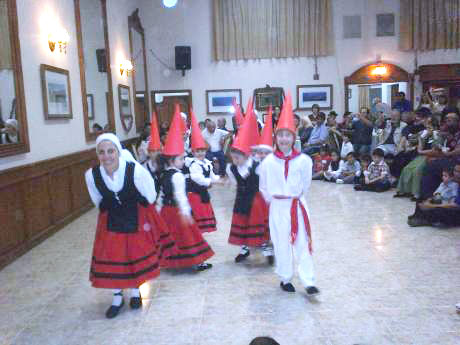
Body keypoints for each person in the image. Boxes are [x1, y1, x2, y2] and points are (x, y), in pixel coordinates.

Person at [84, 133, 170, 319]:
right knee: (114, 258)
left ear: (118, 151)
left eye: (110, 151)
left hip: (135, 218)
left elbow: (150, 195)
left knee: (133, 255)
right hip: (110, 221)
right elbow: (97, 200)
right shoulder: (92, 175)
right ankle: (116, 297)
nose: (106, 156)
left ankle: (134, 291)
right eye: (102, 152)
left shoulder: (135, 170)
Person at [258, 93, 320, 297]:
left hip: (297, 205)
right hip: (278, 207)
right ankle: (285, 277)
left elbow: (306, 184)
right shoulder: (268, 162)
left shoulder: (303, 160)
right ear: (275, 137)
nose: (284, 139)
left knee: (303, 241)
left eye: (288, 135)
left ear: (294, 138)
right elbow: (263, 187)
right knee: (281, 243)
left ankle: (308, 280)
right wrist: (276, 201)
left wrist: (295, 197)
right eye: (281, 135)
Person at [157, 111, 214, 271]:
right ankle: (197, 261)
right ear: (172, 160)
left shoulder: (164, 173)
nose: (184, 161)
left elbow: (161, 195)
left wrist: (157, 210)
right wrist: (187, 212)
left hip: (166, 213)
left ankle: (172, 261)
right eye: (182, 159)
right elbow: (181, 197)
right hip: (178, 212)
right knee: (189, 237)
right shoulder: (178, 176)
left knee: (171, 237)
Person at [226, 111, 272, 264]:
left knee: (258, 225)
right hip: (241, 200)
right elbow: (234, 183)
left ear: (246, 156)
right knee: (244, 224)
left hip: (256, 201)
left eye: (237, 158)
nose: (235, 160)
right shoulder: (231, 168)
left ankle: (266, 248)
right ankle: (244, 249)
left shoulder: (256, 165)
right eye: (233, 157)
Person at [187, 110, 221, 233]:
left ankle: (201, 231)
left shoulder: (207, 163)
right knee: (198, 214)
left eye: (203, 150)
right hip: (195, 195)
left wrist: (219, 179)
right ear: (193, 152)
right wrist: (208, 182)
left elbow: (212, 175)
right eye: (198, 151)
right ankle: (197, 232)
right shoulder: (194, 164)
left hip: (203, 193)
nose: (201, 153)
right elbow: (197, 178)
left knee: (204, 211)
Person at [420, 113, 460, 200]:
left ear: (456, 121)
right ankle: (428, 196)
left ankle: (428, 196)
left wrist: (449, 153)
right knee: (430, 163)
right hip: (449, 158)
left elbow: (458, 150)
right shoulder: (450, 132)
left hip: (456, 160)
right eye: (446, 120)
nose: (447, 122)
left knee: (433, 166)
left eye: (449, 120)